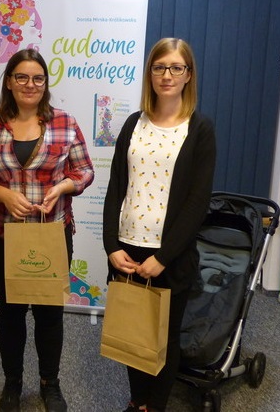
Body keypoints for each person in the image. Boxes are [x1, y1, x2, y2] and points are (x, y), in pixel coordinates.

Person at [0, 48, 94, 412]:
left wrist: (63, 187)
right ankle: (13, 383)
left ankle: (50, 383)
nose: (30, 84)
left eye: (38, 78)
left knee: (49, 314)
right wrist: (4, 195)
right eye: (21, 77)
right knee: (10, 314)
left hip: (51, 234)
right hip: (4, 235)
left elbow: (85, 170)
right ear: (8, 82)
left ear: (46, 83)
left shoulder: (65, 122)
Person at [102, 38, 217, 412]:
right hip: (127, 248)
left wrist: (164, 257)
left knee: (163, 339)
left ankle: (155, 407)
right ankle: (138, 402)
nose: (167, 75)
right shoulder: (133, 124)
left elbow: (197, 202)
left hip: (169, 254)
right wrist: (111, 245)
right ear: (150, 73)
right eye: (159, 67)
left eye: (176, 67)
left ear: (188, 75)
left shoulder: (200, 129)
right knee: (133, 333)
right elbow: (116, 186)